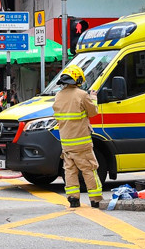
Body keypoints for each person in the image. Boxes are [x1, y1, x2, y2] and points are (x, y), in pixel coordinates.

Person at [52, 65, 102, 208]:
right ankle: (95, 199)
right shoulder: (82, 95)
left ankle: (73, 198)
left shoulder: (58, 96)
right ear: (78, 79)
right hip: (82, 142)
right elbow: (93, 112)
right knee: (89, 169)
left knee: (70, 170)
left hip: (66, 142)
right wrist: (93, 98)